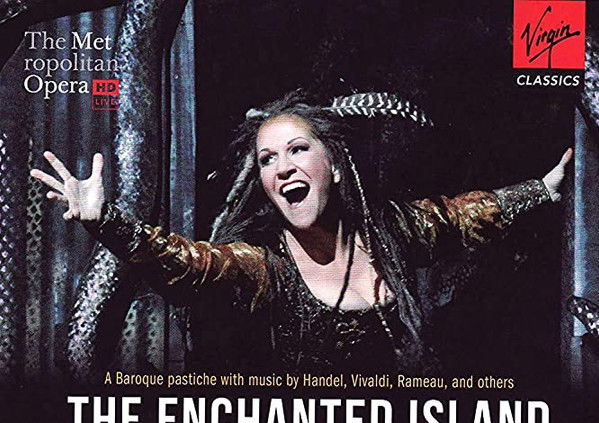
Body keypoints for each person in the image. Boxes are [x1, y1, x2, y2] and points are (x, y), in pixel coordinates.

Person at [31, 94, 570, 375]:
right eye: (268, 159)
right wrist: (106, 221)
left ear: (333, 165)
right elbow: (191, 263)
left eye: (297, 149)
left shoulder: (391, 230)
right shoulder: (263, 265)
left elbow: (460, 217)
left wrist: (541, 190)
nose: (283, 166)